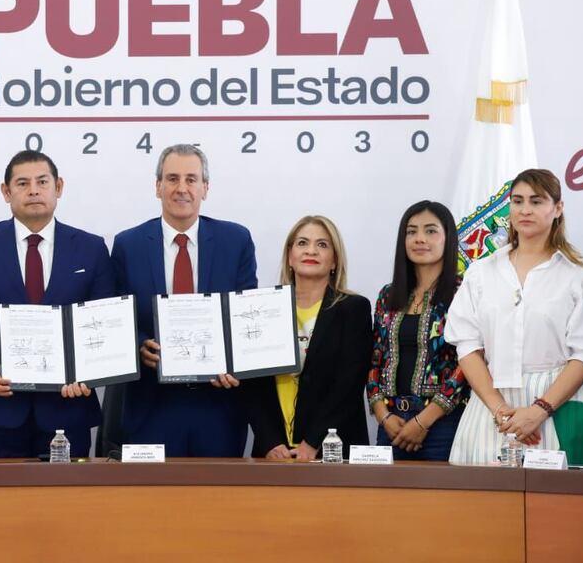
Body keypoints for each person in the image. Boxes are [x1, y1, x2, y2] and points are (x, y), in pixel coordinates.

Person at [0, 151, 115, 458]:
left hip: (69, 409)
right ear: (6, 192)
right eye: (22, 183)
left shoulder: (91, 248)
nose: (33, 190)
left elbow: (106, 327)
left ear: (58, 187)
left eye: (42, 181)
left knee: (69, 505)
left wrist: (88, 373)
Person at [447, 169, 583, 465]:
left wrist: (539, 411)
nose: (525, 210)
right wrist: (500, 410)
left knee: (570, 507)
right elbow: (467, 346)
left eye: (537, 202)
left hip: (560, 407)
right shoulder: (481, 272)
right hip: (492, 409)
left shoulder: (582, 272)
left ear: (558, 208)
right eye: (517, 201)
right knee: (482, 507)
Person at [110, 144, 257, 457]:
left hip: (219, 407)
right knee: (150, 503)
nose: (181, 188)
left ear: (205, 188)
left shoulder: (236, 240)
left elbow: (247, 316)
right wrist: (139, 346)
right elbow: (115, 318)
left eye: (191, 179)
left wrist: (235, 359)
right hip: (150, 406)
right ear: (158, 186)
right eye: (172, 178)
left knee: (217, 501)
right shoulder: (128, 245)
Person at [244, 215, 372, 460]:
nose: (311, 250)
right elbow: (252, 384)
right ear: (290, 256)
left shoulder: (353, 309)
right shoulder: (261, 308)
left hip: (332, 448)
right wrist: (270, 441)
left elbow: (349, 385)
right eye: (302, 243)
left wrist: (313, 441)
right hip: (273, 451)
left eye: (322, 245)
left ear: (334, 260)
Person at [366, 201, 468, 460]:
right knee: (385, 501)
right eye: (411, 232)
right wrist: (383, 415)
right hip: (391, 426)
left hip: (444, 424)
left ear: (448, 239)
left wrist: (423, 421)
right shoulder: (388, 295)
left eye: (431, 231)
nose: (420, 239)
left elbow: (468, 364)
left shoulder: (464, 291)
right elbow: (375, 359)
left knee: (442, 501)